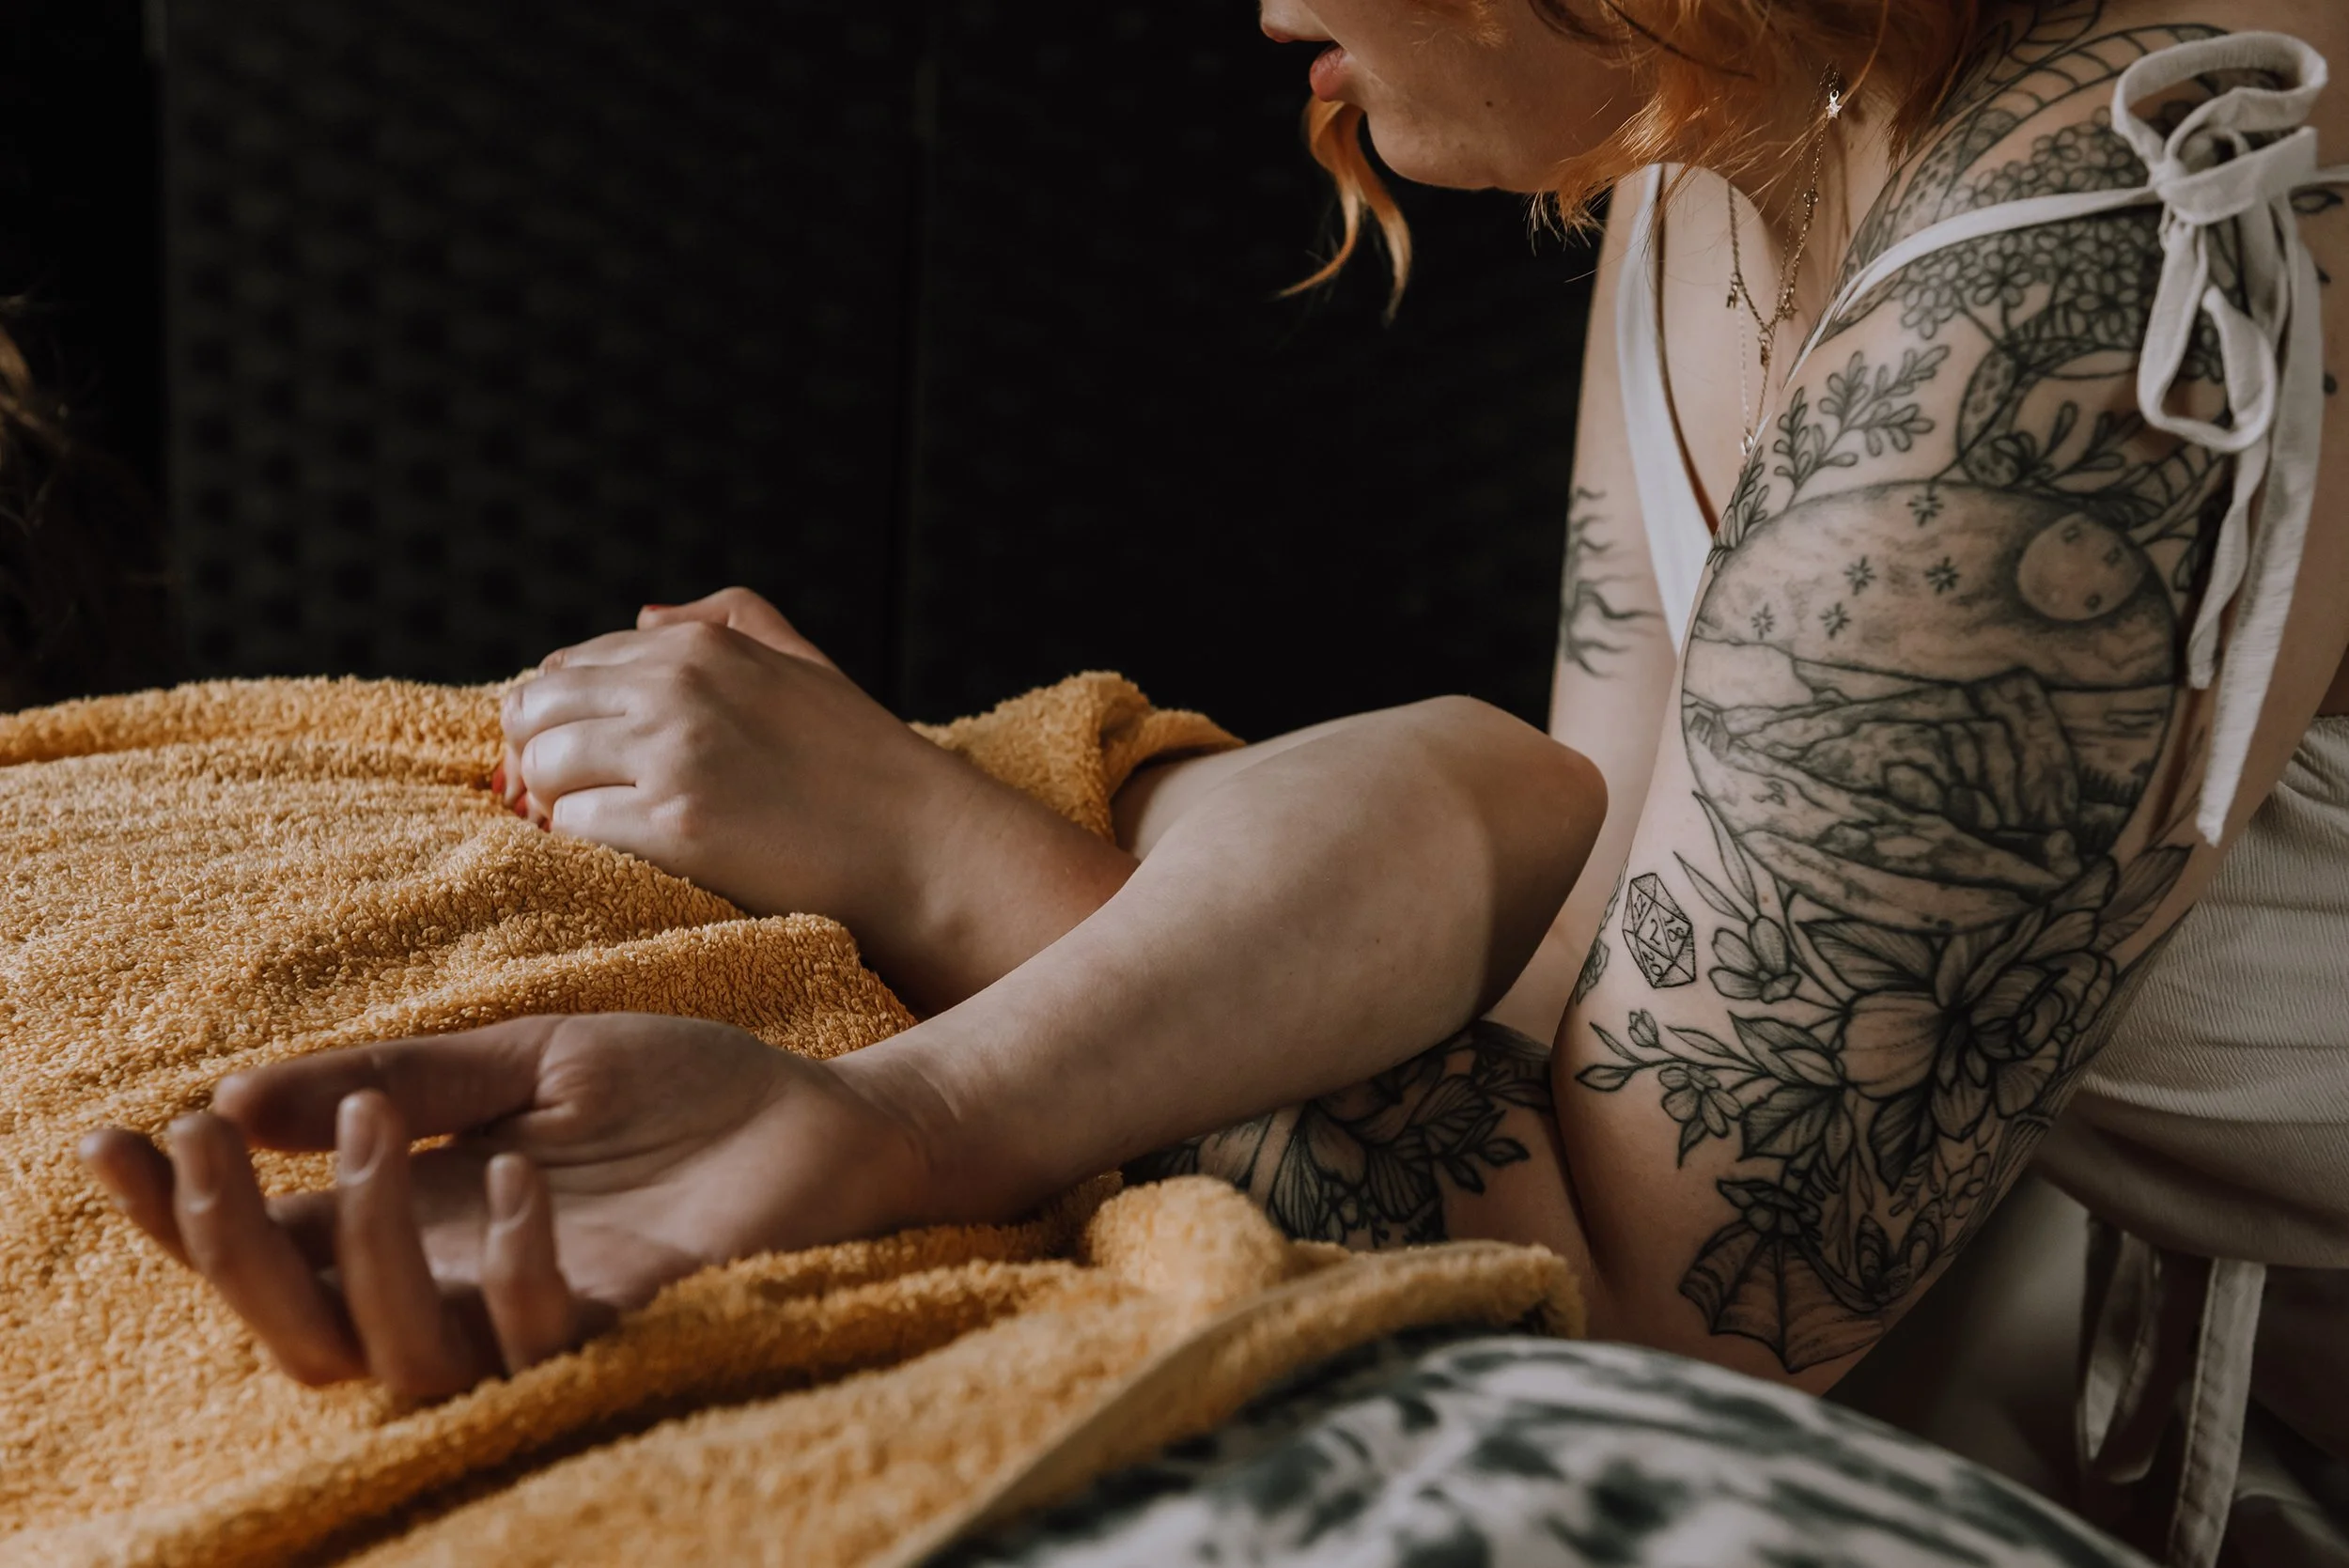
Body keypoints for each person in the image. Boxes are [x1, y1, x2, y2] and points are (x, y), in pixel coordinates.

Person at [81, 2, 2349, 1561]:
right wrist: (907, 1098)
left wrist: (932, 878)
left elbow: (1651, 1310)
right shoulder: (1740, 137)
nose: (1262, 10)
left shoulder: (2083, 280)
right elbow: (1577, 960)